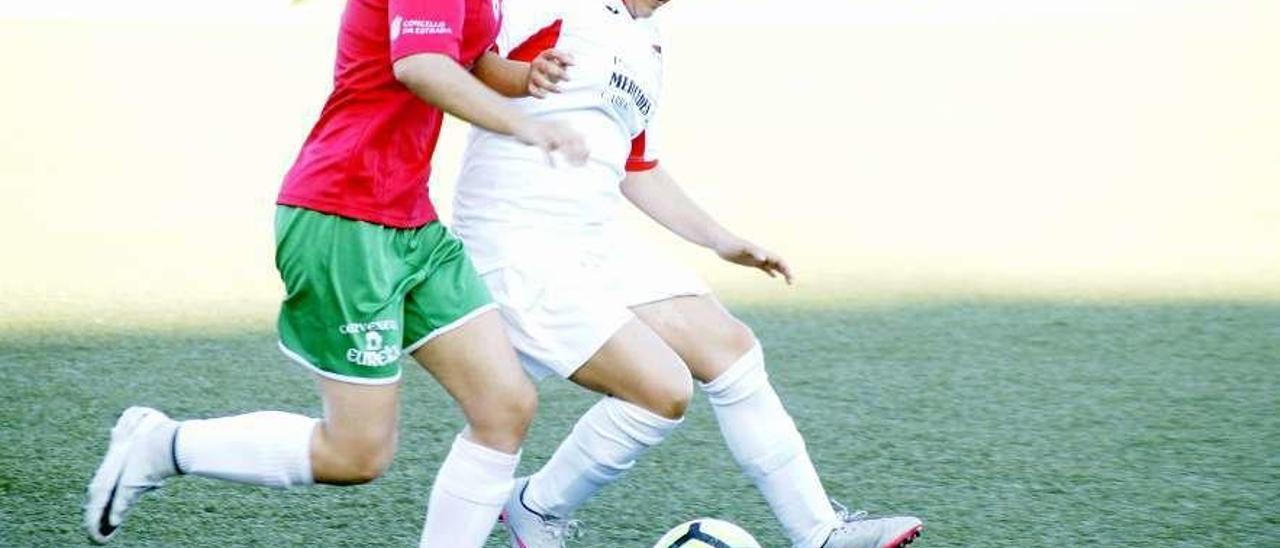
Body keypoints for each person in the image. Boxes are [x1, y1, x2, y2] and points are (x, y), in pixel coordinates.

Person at [82, 0, 587, 546]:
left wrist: (524, 76)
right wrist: (520, 125)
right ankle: (161, 446)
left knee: (504, 404)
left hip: (410, 221)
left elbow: (468, 57)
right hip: (343, 217)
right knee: (357, 452)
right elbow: (420, 64)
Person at [453, 0, 924, 547]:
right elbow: (459, 60)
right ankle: (536, 507)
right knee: (660, 391)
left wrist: (722, 240)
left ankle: (819, 533)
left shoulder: (647, 40)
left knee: (731, 348)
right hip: (516, 239)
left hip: (590, 238)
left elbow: (638, 168)